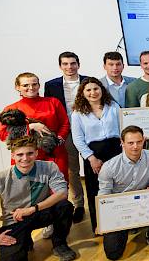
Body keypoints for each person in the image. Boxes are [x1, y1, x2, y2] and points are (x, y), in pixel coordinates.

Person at [0, 136, 77, 261]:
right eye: (20, 154)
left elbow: (62, 193)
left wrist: (32, 209)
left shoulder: (49, 167)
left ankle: (60, 244)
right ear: (13, 156)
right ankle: (25, 238)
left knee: (64, 206)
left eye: (30, 153)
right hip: (14, 220)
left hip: (39, 212)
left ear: (36, 153)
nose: (25, 158)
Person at [0, 72, 70, 238]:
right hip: (27, 157)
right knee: (26, 192)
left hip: (54, 154)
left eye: (34, 84)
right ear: (18, 87)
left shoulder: (53, 102)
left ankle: (53, 223)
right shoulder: (11, 109)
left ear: (39, 85)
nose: (31, 88)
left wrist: (58, 139)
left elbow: (65, 123)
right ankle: (25, 228)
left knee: (57, 190)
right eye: (25, 85)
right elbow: (3, 135)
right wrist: (29, 127)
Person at [97, 126, 149, 259]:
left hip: (143, 200)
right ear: (122, 143)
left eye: (139, 142)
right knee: (113, 254)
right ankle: (128, 227)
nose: (135, 146)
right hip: (120, 208)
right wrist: (102, 220)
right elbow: (103, 195)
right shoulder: (109, 167)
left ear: (144, 141)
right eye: (130, 143)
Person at [70, 77, 122, 234]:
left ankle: (121, 222)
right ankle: (100, 225)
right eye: (88, 90)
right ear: (83, 93)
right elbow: (77, 139)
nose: (93, 92)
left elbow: (123, 128)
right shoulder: (77, 113)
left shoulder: (113, 106)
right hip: (93, 153)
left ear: (102, 90)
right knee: (96, 190)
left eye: (96, 89)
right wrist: (91, 158)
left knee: (117, 186)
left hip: (115, 150)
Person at [43, 51, 87, 222]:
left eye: (73, 63)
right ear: (60, 66)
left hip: (87, 130)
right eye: (65, 64)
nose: (69, 67)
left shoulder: (88, 81)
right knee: (72, 170)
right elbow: (50, 110)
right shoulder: (51, 85)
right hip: (65, 132)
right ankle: (77, 205)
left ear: (78, 64)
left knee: (92, 168)